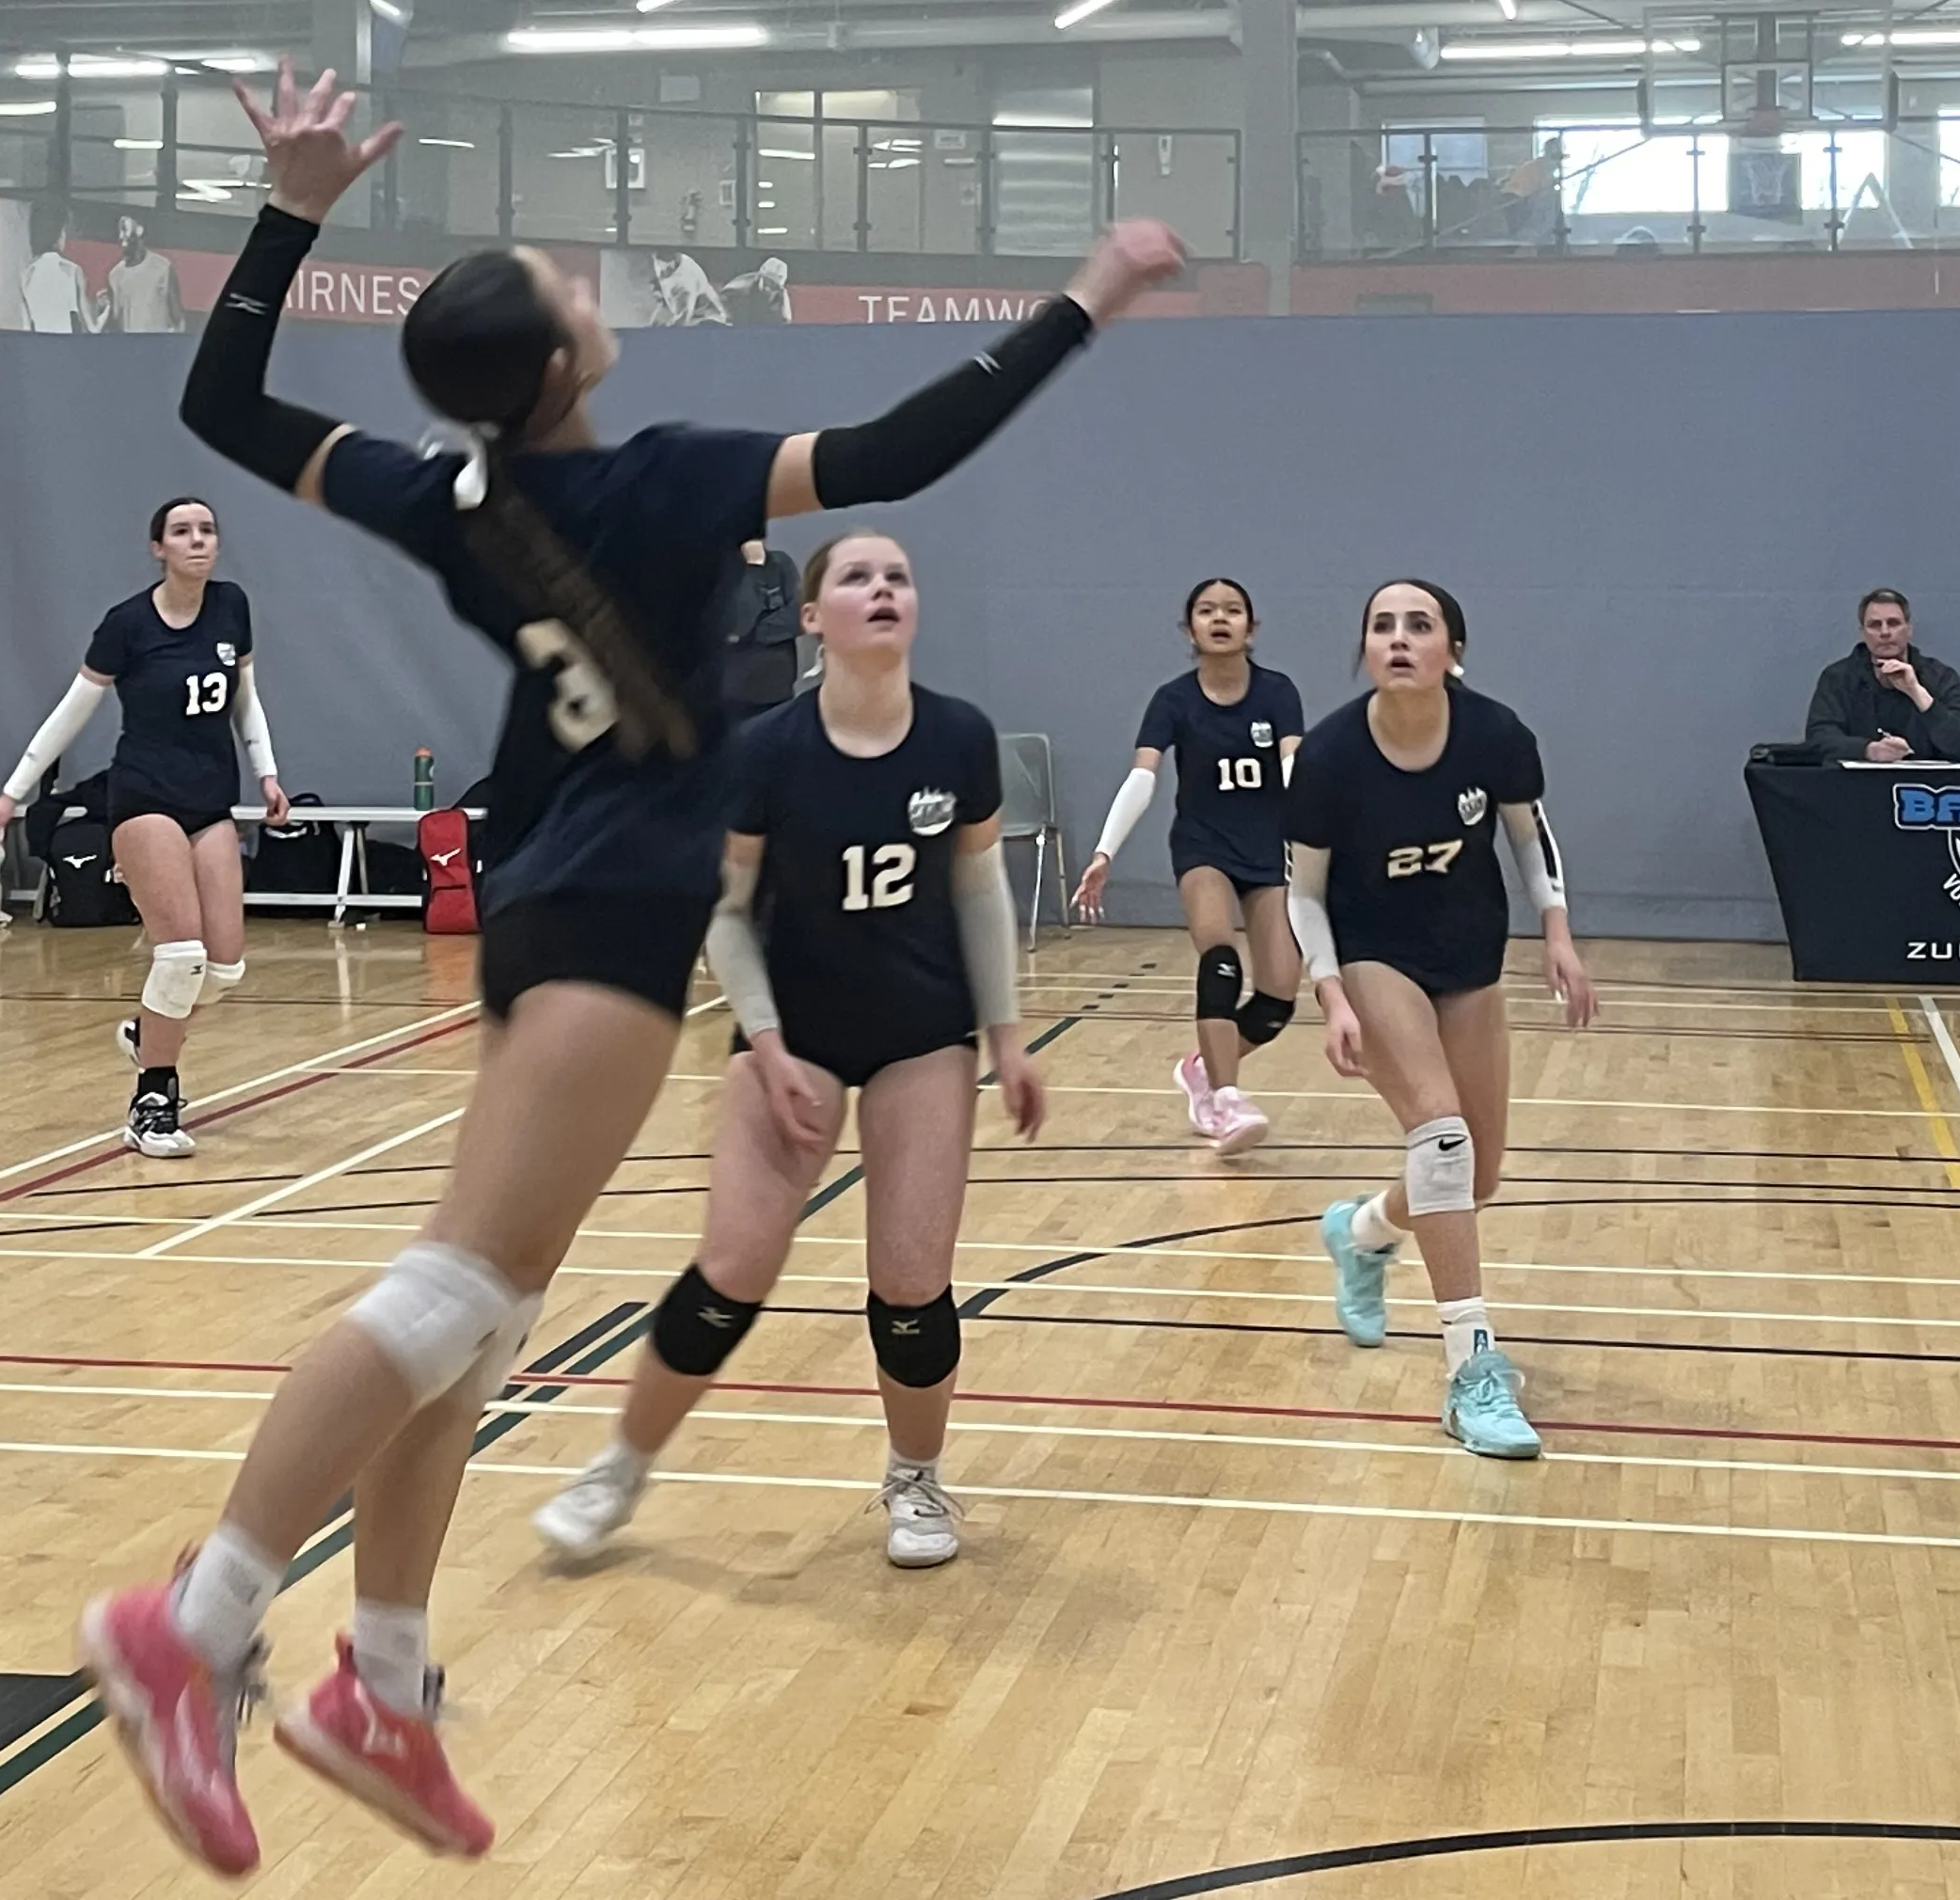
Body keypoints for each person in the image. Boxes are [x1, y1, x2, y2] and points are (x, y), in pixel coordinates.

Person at [75, 60, 1179, 1877]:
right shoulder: (666, 482)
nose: (589, 283)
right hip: (605, 913)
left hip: (551, 888)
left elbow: (216, 396)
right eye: (569, 283)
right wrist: (1087, 294)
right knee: (449, 1295)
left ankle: (385, 1678)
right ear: (567, 359)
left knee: (487, 1310)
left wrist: (287, 209)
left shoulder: (451, 495)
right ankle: (186, 1626)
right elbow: (901, 451)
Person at [530, 530, 1044, 1571]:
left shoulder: (958, 737)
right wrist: (763, 1042)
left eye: (899, 573)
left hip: (920, 1032)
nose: (883, 588)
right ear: (813, 618)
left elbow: (979, 888)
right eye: (856, 577)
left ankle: (916, 1481)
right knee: (732, 1272)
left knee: (911, 1282)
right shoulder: (764, 750)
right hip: (792, 1027)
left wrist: (1005, 1030)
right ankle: (620, 1468)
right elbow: (722, 913)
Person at [1298, 579, 1598, 1461]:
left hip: (1469, 959)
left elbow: (1529, 837)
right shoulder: (1329, 758)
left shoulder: (1496, 735)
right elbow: (1301, 892)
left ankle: (1360, 1233)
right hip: (1372, 955)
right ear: (1365, 651)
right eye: (1381, 626)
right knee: (1440, 1133)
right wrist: (1329, 993)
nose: (1398, 638)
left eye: (1418, 625)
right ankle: (1472, 1372)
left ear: (1452, 651)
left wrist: (1558, 934)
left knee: (1478, 1175)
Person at [0, 497, 292, 1159]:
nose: (197, 540)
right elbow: (72, 711)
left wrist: (268, 773)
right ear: (159, 548)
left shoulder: (232, 607)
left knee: (226, 966)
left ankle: (146, 1030)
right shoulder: (127, 625)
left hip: (211, 800)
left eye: (208, 529)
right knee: (180, 955)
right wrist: (12, 792)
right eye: (182, 532)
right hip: (144, 796)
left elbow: (246, 701)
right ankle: (153, 1099)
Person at [1071, 576, 1306, 1154]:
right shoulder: (1173, 700)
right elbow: (1143, 778)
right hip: (1204, 846)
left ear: (1251, 628)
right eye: (1206, 610)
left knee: (1278, 998)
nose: (1220, 618)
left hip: (1267, 850)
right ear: (1189, 628)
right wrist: (1105, 852)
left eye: (1233, 610)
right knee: (1220, 957)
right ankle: (1225, 1099)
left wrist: (1323, 842)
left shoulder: (1277, 694)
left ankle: (1201, 1068)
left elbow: (1295, 769)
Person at [1801, 588, 1960, 764]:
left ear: (1909, 629)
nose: (1885, 632)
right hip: (1856, 787)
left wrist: (1917, 693)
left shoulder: (1941, 677)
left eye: (1893, 623)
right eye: (1875, 625)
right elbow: (1818, 739)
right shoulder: (1838, 678)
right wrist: (1868, 750)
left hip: (1924, 788)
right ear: (1862, 634)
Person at [721, 537, 801, 712]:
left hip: (780, 688)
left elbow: (798, 618)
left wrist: (753, 633)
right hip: (734, 694)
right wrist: (755, 566)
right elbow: (738, 623)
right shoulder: (724, 571)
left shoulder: (780, 563)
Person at [99, 210, 185, 333]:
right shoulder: (114, 275)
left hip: (158, 346)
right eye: (119, 231)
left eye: (124, 229)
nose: (120, 236)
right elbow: (114, 320)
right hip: (130, 347)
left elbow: (178, 316)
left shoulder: (162, 267)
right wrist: (103, 307)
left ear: (140, 230)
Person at [20, 217, 93, 333]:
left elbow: (26, 328)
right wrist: (107, 308)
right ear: (58, 236)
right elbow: (93, 328)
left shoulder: (27, 274)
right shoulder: (72, 270)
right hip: (66, 346)